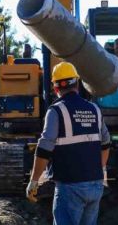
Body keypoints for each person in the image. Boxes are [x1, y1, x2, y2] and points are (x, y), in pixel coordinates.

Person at [26, 61, 111, 225]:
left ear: (55, 88)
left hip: (70, 187)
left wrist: (34, 181)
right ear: (77, 83)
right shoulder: (94, 109)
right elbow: (106, 144)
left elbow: (44, 148)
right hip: (95, 185)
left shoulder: (56, 111)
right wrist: (96, 172)